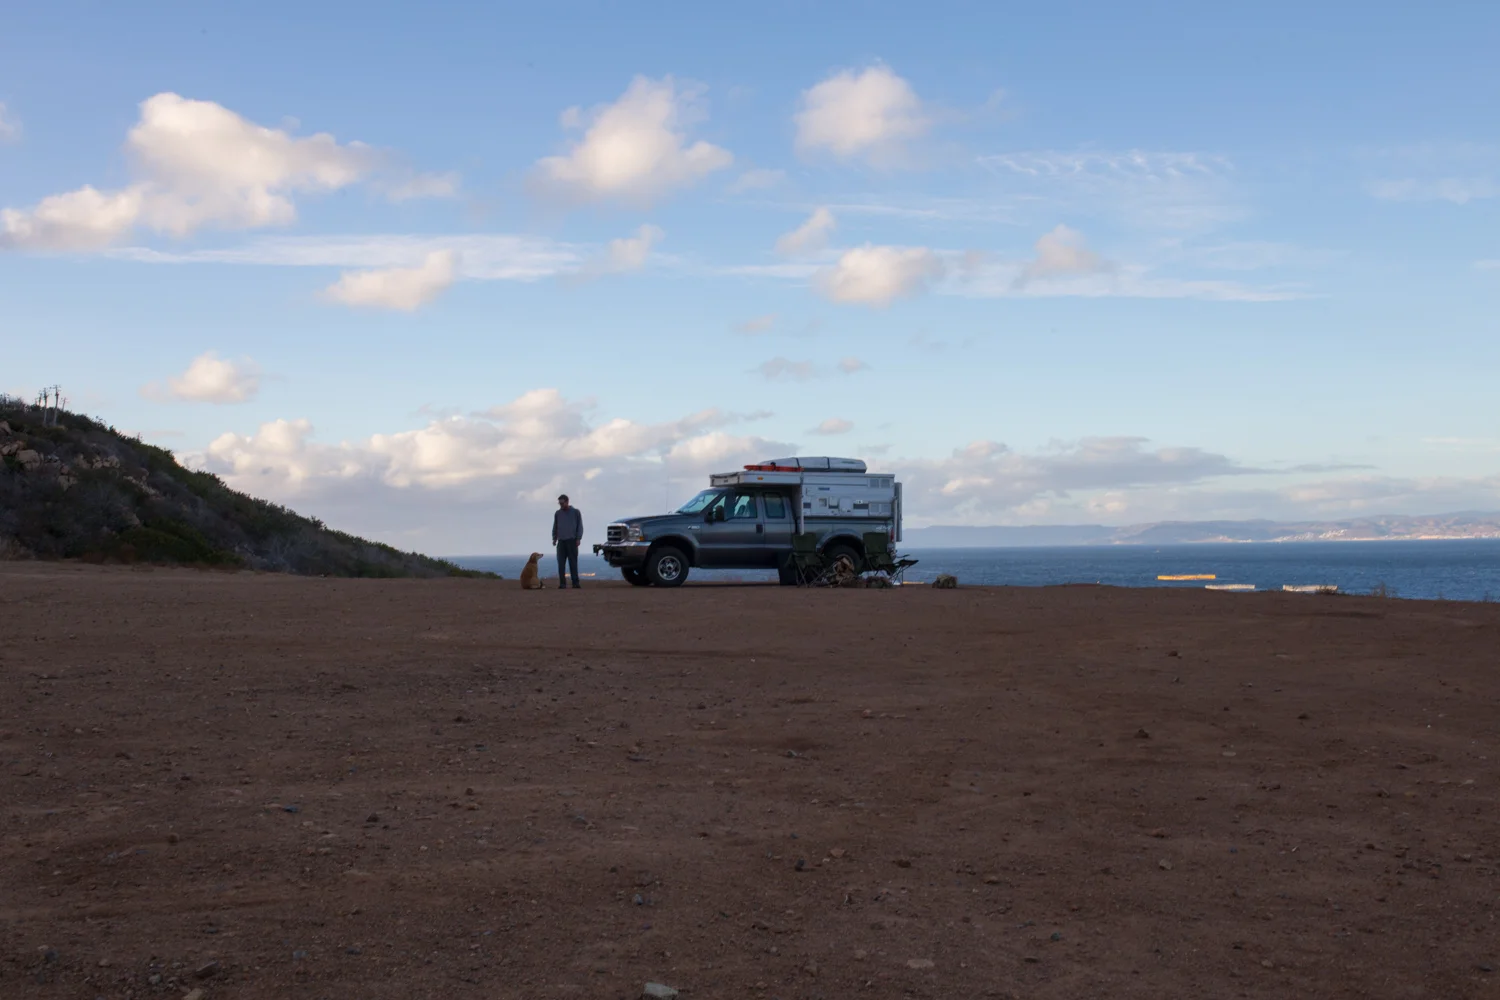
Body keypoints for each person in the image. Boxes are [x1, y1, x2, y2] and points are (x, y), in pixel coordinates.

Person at [552, 494, 584, 589]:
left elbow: (580, 526)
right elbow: (555, 526)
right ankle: (562, 583)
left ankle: (575, 583)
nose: (561, 505)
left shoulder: (575, 512)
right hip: (561, 542)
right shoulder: (558, 513)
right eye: (560, 503)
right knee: (561, 563)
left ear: (567, 502)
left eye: (562, 503)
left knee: (573, 563)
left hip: (572, 541)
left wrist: (578, 538)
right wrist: (554, 538)